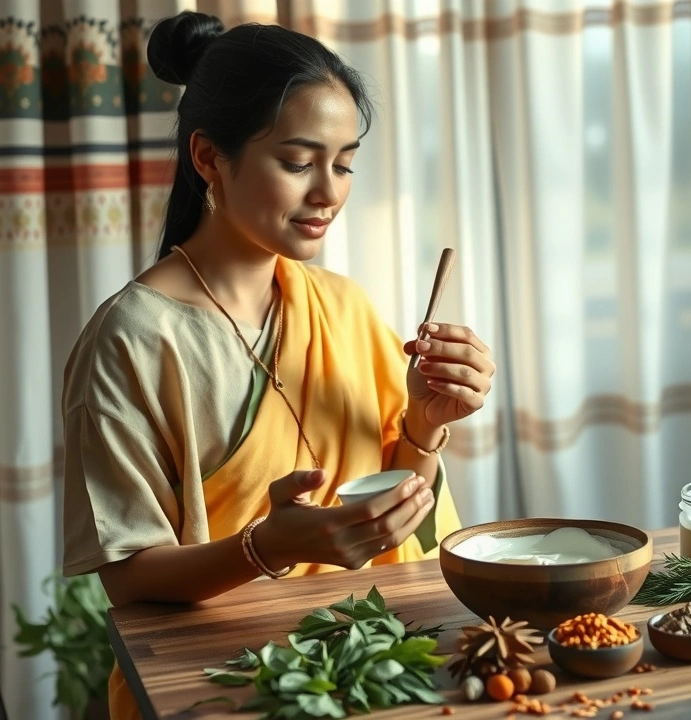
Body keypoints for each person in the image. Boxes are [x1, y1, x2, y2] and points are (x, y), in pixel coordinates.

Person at [58, 11, 494, 719]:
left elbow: (396, 523)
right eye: (298, 162)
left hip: (375, 669)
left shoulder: (342, 306)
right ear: (208, 158)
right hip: (219, 686)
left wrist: (424, 423)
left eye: (345, 162)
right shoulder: (130, 341)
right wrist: (263, 549)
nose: (329, 192)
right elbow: (130, 579)